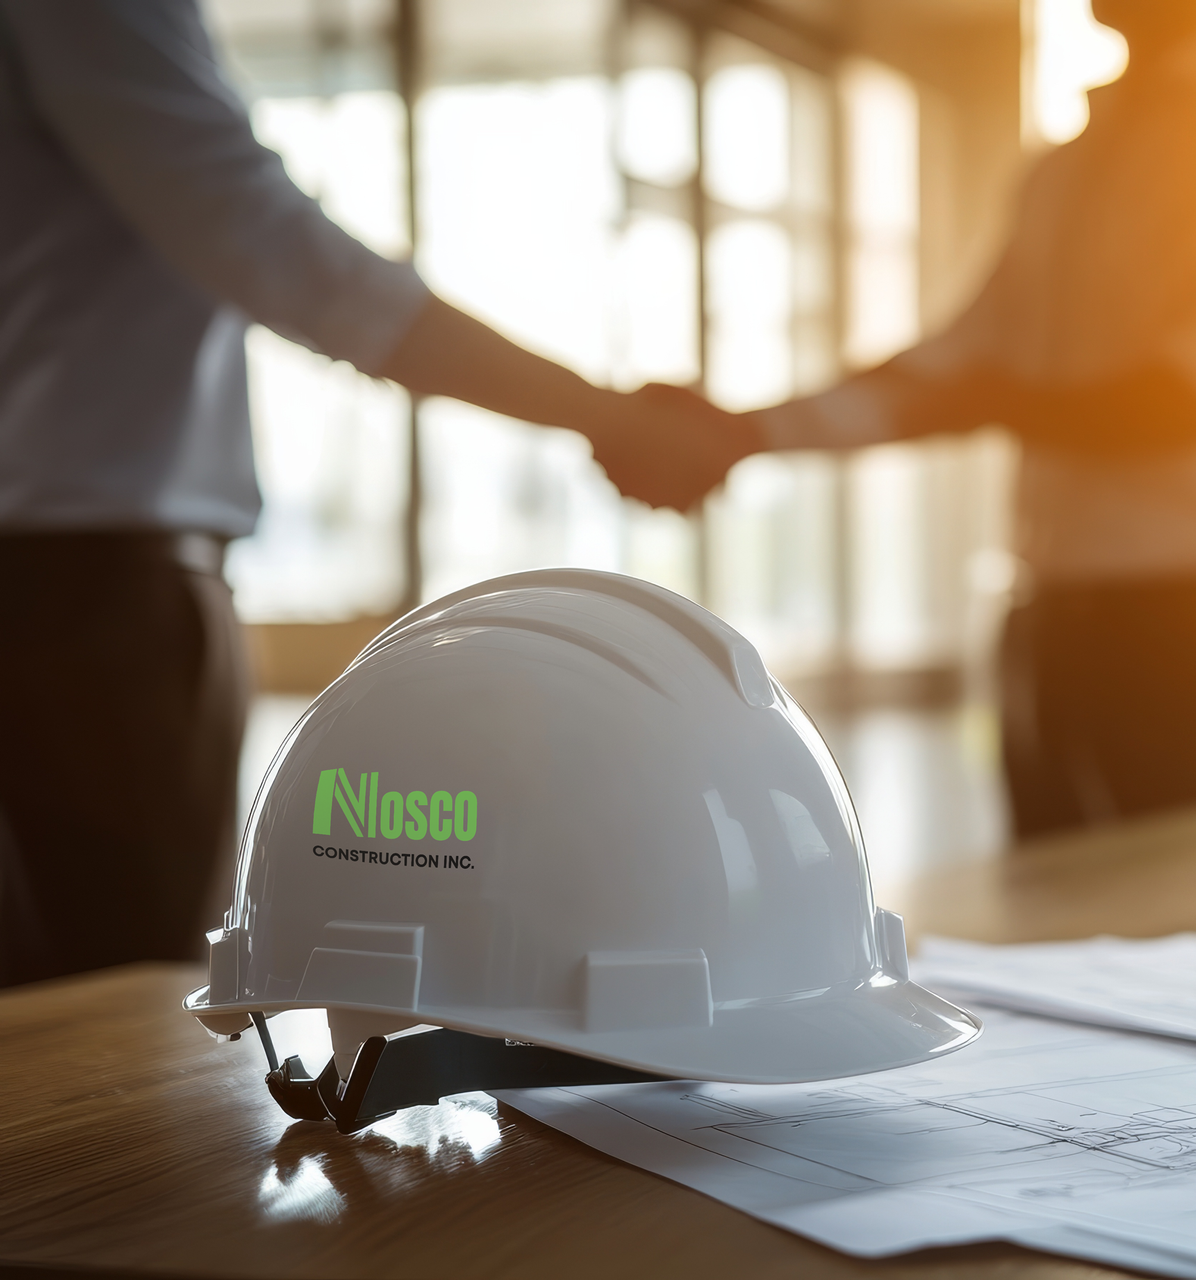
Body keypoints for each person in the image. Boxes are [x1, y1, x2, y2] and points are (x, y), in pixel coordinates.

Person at [0, 0, 749, 986]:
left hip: (88, 577)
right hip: (84, 600)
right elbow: (277, 249)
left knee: (80, 1008)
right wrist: (601, 415)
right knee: (112, 1016)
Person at [738, 0, 1196, 837]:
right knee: (1048, 942)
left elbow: (1193, 403)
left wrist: (990, 401)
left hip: (1186, 639)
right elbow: (958, 355)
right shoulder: (1066, 166)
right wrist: (749, 431)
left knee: (1187, 944)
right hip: (1043, 632)